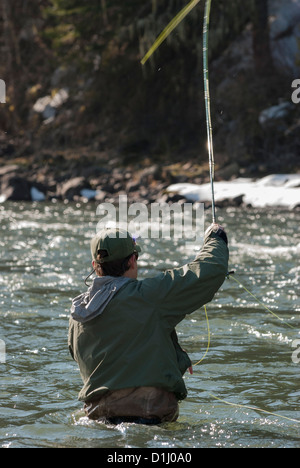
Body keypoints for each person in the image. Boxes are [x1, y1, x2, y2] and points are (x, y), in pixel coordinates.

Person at [68, 223, 229, 425]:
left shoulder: (78, 313)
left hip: (97, 418)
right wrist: (215, 237)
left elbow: (108, 354)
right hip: (150, 413)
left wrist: (168, 351)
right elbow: (209, 270)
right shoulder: (149, 296)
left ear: (95, 266)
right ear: (133, 260)